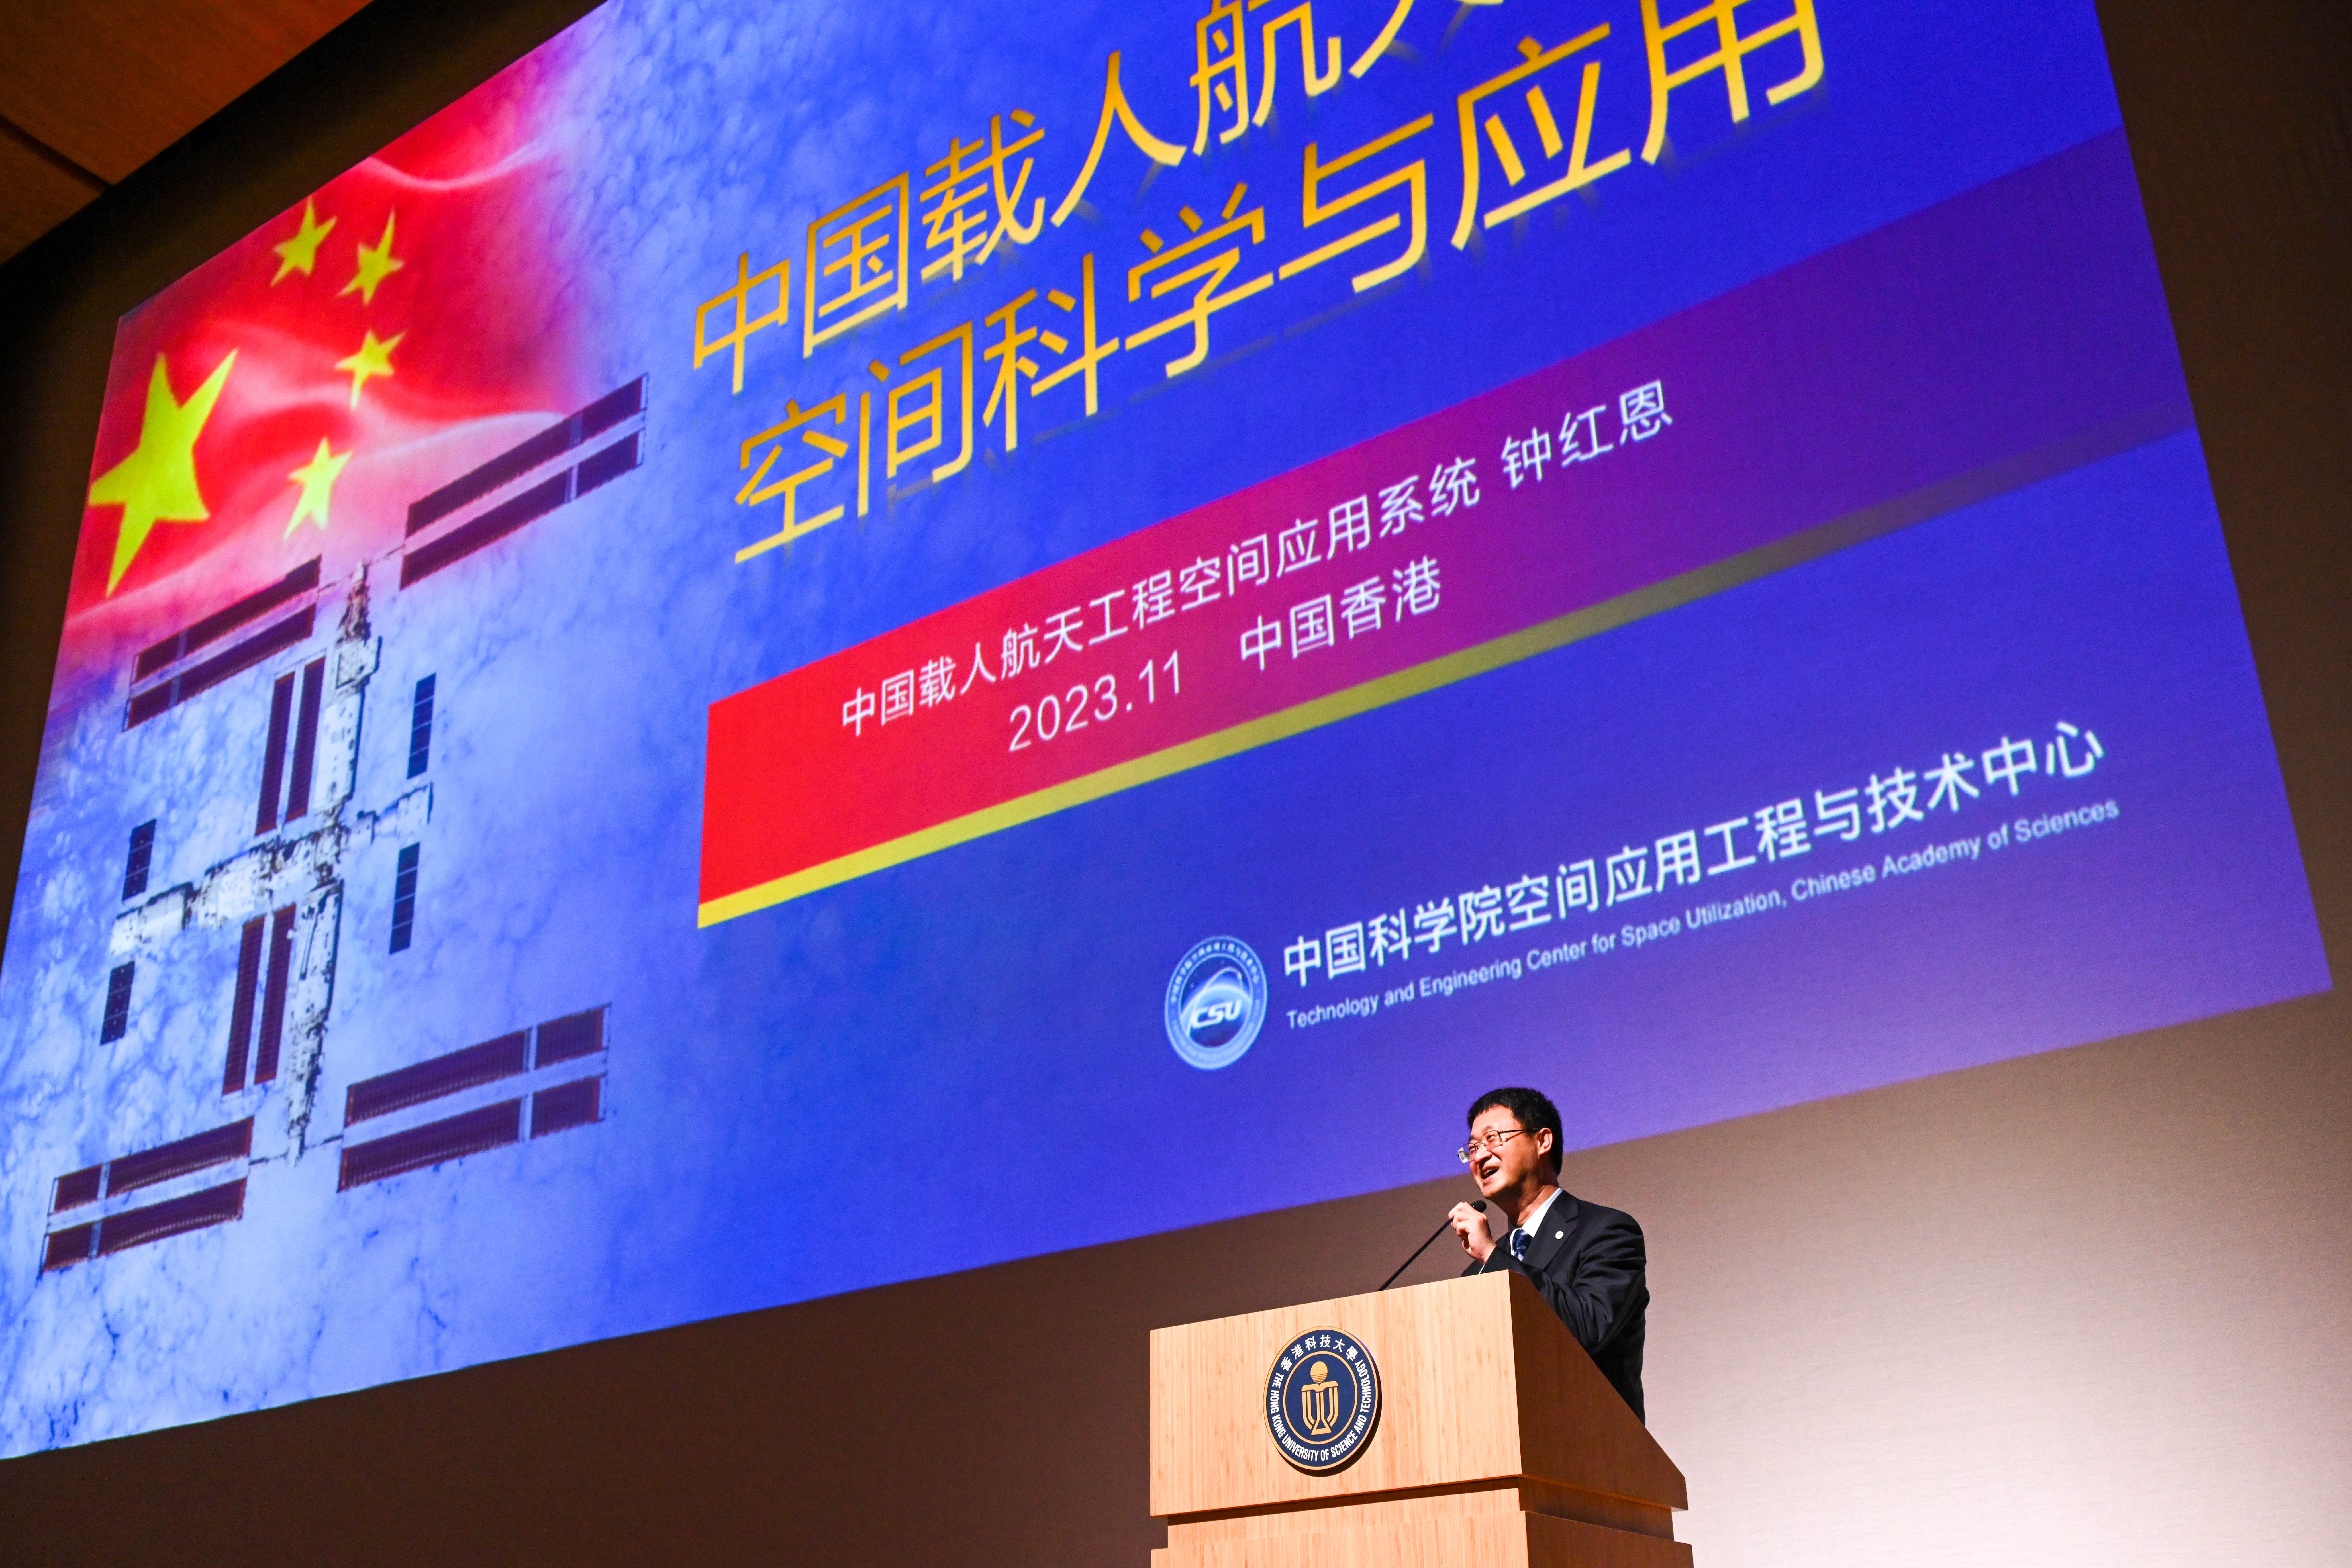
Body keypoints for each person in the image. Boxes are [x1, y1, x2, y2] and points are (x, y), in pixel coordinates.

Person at [1449, 1086, 1648, 1421]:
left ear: (1543, 1140)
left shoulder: (1607, 1231)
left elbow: (1589, 1327)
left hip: (1594, 1452)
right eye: (1472, 1147)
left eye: (1493, 1138)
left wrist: (1494, 1256)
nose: (1480, 1156)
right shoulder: (1476, 1275)